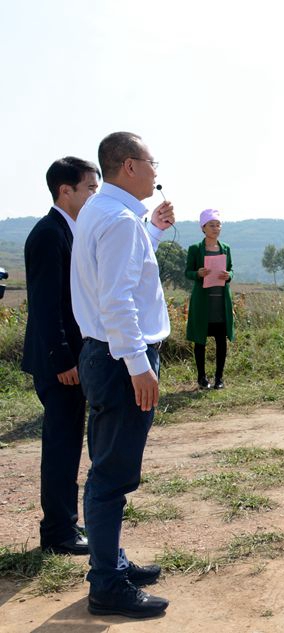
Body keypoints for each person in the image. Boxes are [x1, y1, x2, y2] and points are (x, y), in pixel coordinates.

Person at [71, 131, 174, 617]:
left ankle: (110, 562)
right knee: (112, 476)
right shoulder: (118, 220)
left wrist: (152, 230)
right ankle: (107, 586)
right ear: (130, 166)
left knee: (106, 468)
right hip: (119, 360)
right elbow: (118, 300)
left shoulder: (102, 211)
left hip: (101, 354)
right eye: (152, 162)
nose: (156, 172)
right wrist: (139, 365)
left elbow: (117, 274)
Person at [22, 157, 100, 556]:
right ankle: (57, 532)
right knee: (61, 446)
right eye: (90, 189)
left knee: (68, 442)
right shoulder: (49, 234)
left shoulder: (71, 230)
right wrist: (63, 360)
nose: (94, 196)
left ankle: (65, 522)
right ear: (65, 191)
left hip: (72, 359)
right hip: (60, 364)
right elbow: (46, 306)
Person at [185, 209, 234, 389]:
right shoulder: (195, 249)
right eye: (211, 225)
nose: (216, 228)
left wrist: (228, 275)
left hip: (221, 303)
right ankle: (202, 378)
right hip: (202, 303)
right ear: (203, 228)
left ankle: (219, 379)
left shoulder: (226, 248)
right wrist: (197, 273)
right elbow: (187, 272)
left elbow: (231, 269)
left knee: (221, 341)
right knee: (200, 341)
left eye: (218, 225)